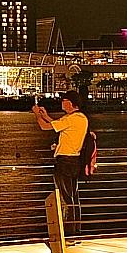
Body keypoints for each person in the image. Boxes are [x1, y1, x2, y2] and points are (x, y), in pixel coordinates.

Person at [33, 90, 89, 229]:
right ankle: (76, 230)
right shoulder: (81, 118)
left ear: (69, 103)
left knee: (65, 198)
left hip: (64, 162)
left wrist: (36, 115)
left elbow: (45, 127)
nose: (61, 103)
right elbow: (57, 125)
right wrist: (45, 116)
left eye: (63, 101)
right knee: (73, 197)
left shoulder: (70, 119)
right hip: (75, 161)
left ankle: (69, 233)